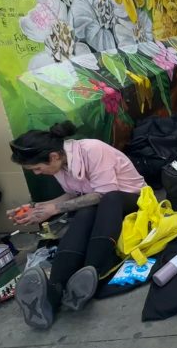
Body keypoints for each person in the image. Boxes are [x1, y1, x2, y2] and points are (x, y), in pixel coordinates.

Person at [9, 122, 146, 329]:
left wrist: (55, 209)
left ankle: (93, 270)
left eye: (37, 168)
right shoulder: (59, 163)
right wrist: (35, 208)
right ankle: (54, 292)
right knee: (85, 211)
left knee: (108, 200)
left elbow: (104, 193)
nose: (37, 173)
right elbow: (74, 194)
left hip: (133, 202)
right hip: (101, 207)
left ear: (53, 156)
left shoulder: (93, 150)